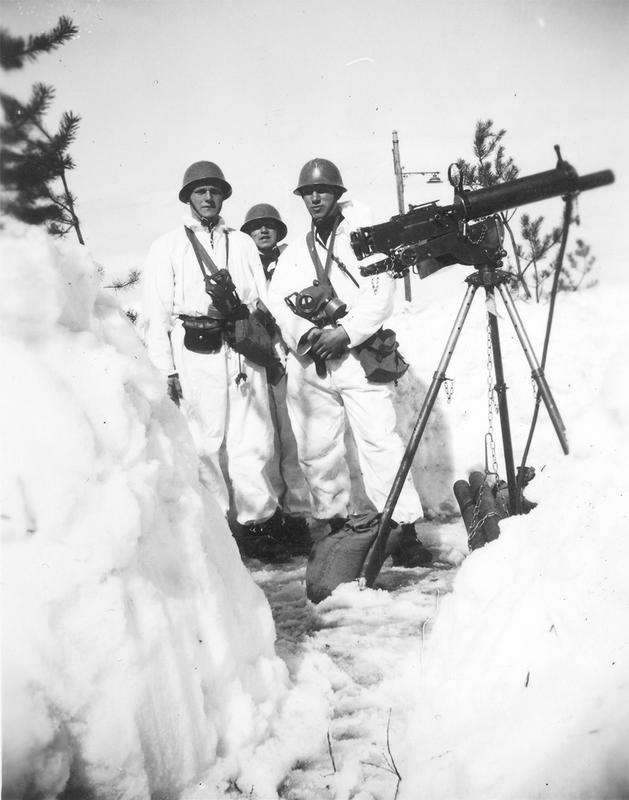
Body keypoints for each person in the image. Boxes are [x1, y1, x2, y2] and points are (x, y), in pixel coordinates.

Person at [267, 158, 432, 578]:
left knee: (380, 440)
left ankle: (403, 528)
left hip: (357, 355)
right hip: (314, 360)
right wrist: (308, 334)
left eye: (322, 191)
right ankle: (334, 523)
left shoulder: (365, 238)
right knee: (317, 448)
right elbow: (276, 300)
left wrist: (346, 331)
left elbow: (380, 296)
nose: (315, 198)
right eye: (308, 193)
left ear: (337, 194)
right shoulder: (295, 254)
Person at [142, 161, 290, 562]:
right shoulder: (168, 245)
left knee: (253, 440)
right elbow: (158, 311)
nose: (208, 198)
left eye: (214, 191)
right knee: (204, 441)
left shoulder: (240, 243)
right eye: (200, 191)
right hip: (196, 351)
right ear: (188, 196)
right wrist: (165, 368)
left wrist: (274, 347)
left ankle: (258, 526)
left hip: (241, 349)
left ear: (223, 196)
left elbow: (262, 299)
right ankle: (215, 531)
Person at [240, 204, 312, 555]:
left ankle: (297, 515)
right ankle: (269, 519)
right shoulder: (239, 263)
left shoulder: (292, 262)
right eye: (256, 228)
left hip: (287, 357)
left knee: (291, 438)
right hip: (253, 359)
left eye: (269, 226)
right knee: (260, 442)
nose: (263, 232)